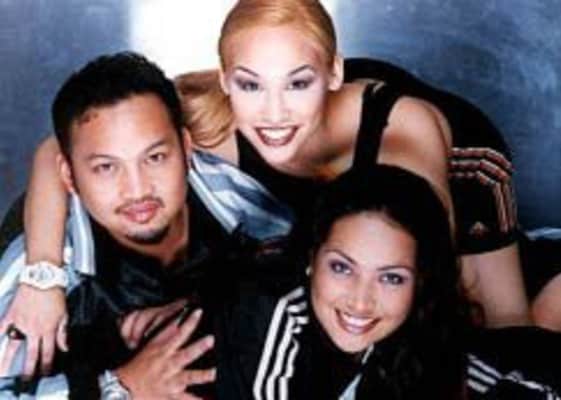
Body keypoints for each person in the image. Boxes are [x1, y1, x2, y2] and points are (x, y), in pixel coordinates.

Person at [0, 0, 542, 375]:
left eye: (298, 83)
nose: (274, 114)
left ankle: (550, 280)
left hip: (461, 169)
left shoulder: (403, 139)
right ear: (227, 80)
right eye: (250, 84)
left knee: (495, 334)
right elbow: (62, 147)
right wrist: (43, 277)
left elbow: (405, 280)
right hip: (324, 228)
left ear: (333, 74)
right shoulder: (214, 116)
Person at [0, 51, 266, 398]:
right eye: (106, 168)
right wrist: (122, 385)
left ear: (186, 148)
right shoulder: (39, 274)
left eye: (155, 158)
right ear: (68, 175)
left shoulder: (243, 200)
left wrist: (204, 305)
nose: (137, 189)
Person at [210, 166, 560, 399]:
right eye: (342, 268)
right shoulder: (267, 311)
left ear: (420, 281)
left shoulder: (414, 335)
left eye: (391, 278)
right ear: (311, 258)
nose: (361, 301)